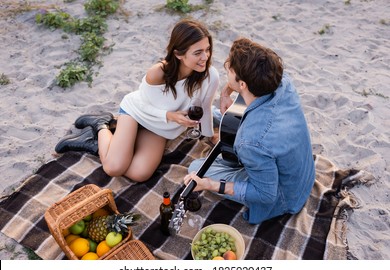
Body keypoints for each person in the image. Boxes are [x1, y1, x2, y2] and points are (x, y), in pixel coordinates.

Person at [55, 19, 219, 182]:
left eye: (207, 50)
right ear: (178, 54)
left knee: (139, 174)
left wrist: (208, 136)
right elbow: (142, 104)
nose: (205, 57)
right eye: (198, 53)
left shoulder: (210, 76)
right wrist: (170, 116)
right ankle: (101, 125)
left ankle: (96, 145)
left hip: (159, 127)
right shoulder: (158, 73)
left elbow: (206, 107)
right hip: (137, 112)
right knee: (114, 167)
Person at [184, 38, 315, 225]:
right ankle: (220, 134)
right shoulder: (282, 81)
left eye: (229, 69)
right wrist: (225, 93)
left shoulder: (250, 142)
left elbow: (265, 195)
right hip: (302, 174)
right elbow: (243, 84)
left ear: (243, 84)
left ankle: (223, 148)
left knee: (196, 168)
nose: (226, 66)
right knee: (221, 116)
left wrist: (210, 185)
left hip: (285, 196)